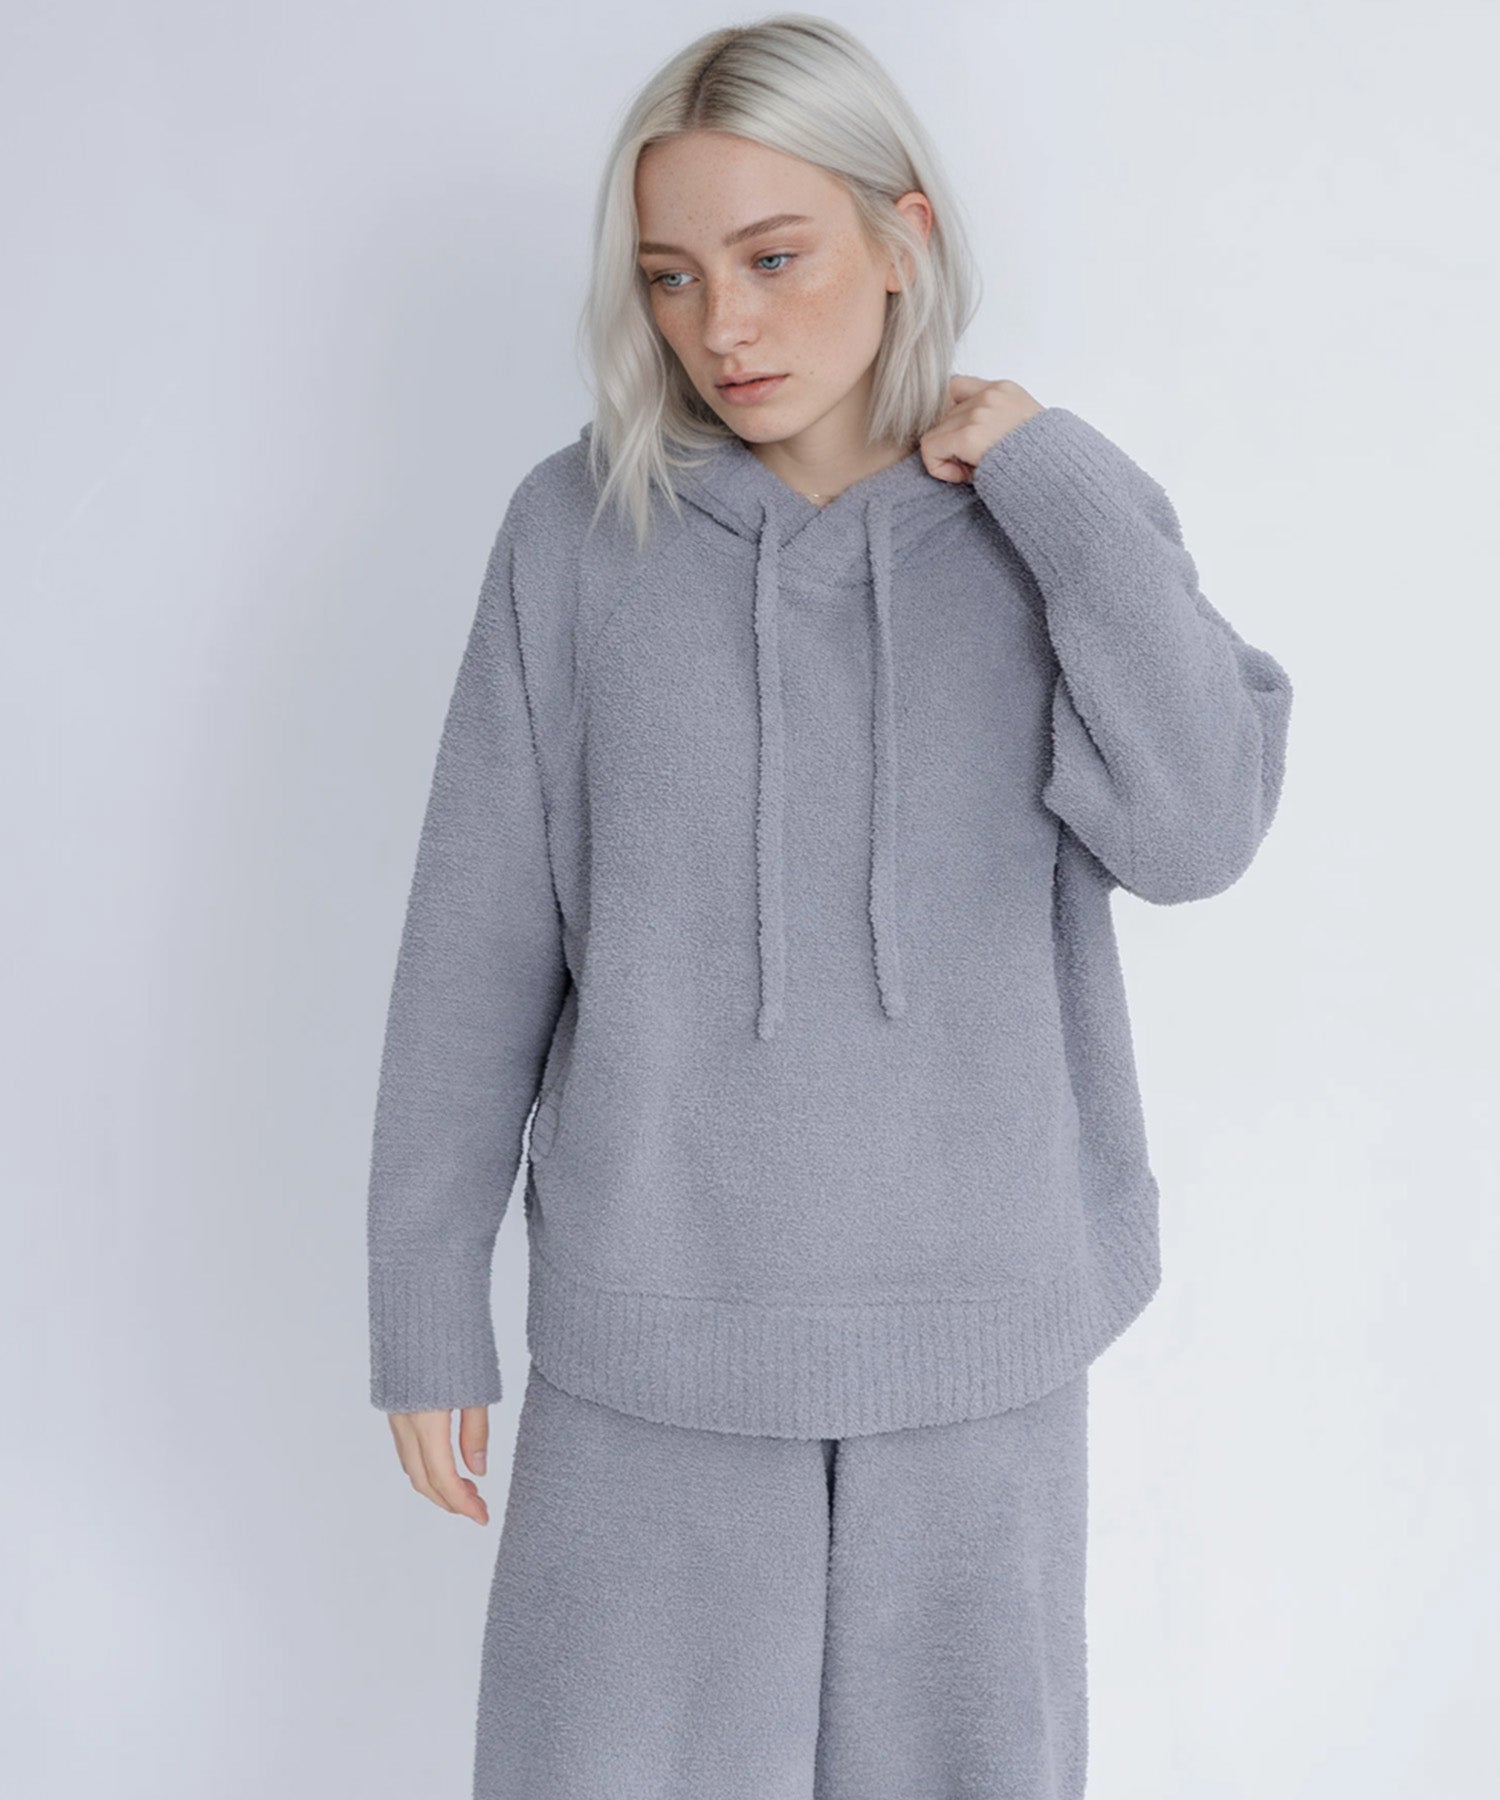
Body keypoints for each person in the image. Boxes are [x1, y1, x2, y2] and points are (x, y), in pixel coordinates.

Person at [364, 15, 1294, 1798]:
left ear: (901, 238)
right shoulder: (577, 535)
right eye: (672, 276)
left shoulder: (1049, 527)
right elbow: (476, 943)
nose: (722, 324)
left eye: (774, 258)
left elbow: (1197, 830)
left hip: (979, 1340)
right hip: (654, 1337)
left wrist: (1061, 482)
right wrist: (424, 1296)